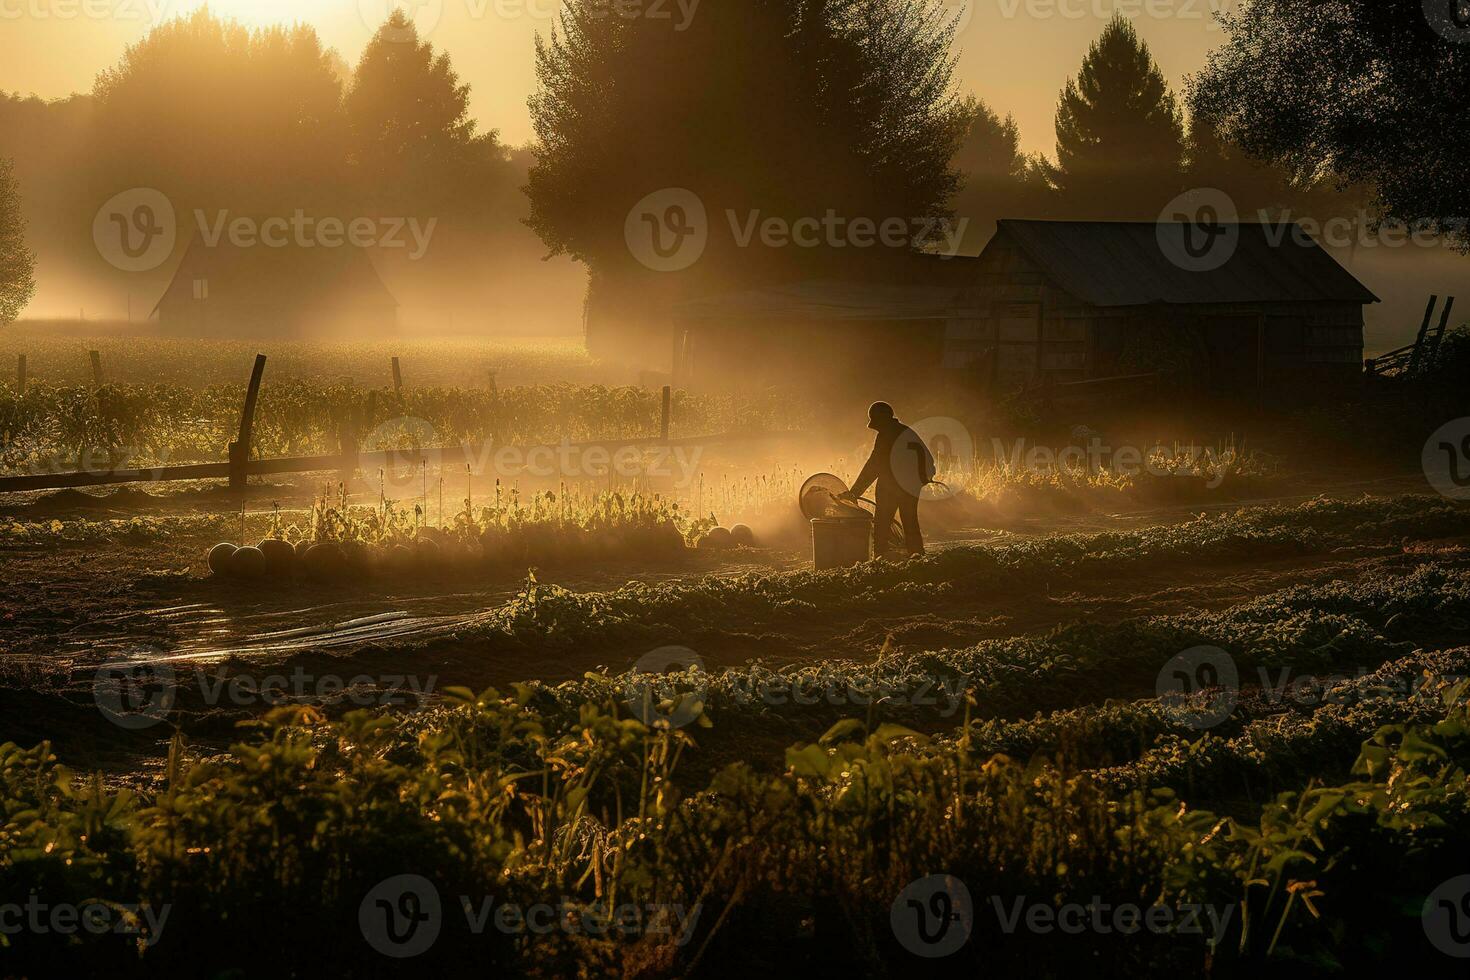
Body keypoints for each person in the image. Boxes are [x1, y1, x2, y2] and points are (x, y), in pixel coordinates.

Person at [839, 401, 934, 556]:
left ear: (881, 420)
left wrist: (855, 492)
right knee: (910, 522)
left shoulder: (886, 435)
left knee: (881, 526)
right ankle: (917, 558)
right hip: (911, 487)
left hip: (890, 487)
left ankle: (880, 562)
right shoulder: (906, 431)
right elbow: (929, 460)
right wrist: (922, 479)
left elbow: (873, 466)